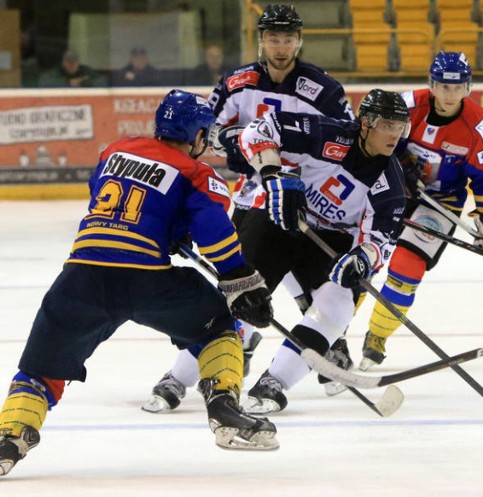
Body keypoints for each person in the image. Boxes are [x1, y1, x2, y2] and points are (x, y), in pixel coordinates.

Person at [0, 89, 278, 476]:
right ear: (198, 135)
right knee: (218, 326)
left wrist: (166, 225)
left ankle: (10, 436)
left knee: (42, 365)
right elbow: (212, 228)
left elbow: (104, 194)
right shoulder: (196, 172)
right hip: (147, 278)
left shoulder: (114, 150)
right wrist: (238, 277)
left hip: (82, 272)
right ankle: (224, 407)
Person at [142, 3, 356, 413]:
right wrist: (244, 146)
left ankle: (329, 348)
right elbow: (209, 132)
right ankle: (186, 372)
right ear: (261, 39)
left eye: (288, 38)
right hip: (254, 200)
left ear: (299, 40)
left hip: (308, 204)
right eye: (273, 37)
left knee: (324, 295)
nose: (280, 45)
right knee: (241, 290)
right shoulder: (237, 81)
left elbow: (345, 141)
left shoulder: (323, 89)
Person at [237, 88, 410, 414]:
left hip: (329, 243)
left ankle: (274, 382)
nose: (395, 134)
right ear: (366, 122)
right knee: (241, 292)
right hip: (283, 220)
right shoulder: (324, 132)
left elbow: (380, 241)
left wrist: (362, 259)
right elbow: (257, 131)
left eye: (400, 127)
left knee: (340, 306)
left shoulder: (391, 183)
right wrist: (274, 176)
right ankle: (187, 373)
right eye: (388, 124)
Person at [357, 51, 483, 371]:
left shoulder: (477, 125)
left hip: (442, 201)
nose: (450, 94)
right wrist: (396, 163)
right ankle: (334, 332)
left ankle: (377, 335)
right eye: (443, 86)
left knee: (407, 267)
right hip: (389, 189)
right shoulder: (407, 105)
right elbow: (368, 137)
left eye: (458, 87)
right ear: (431, 84)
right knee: (360, 259)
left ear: (468, 88)